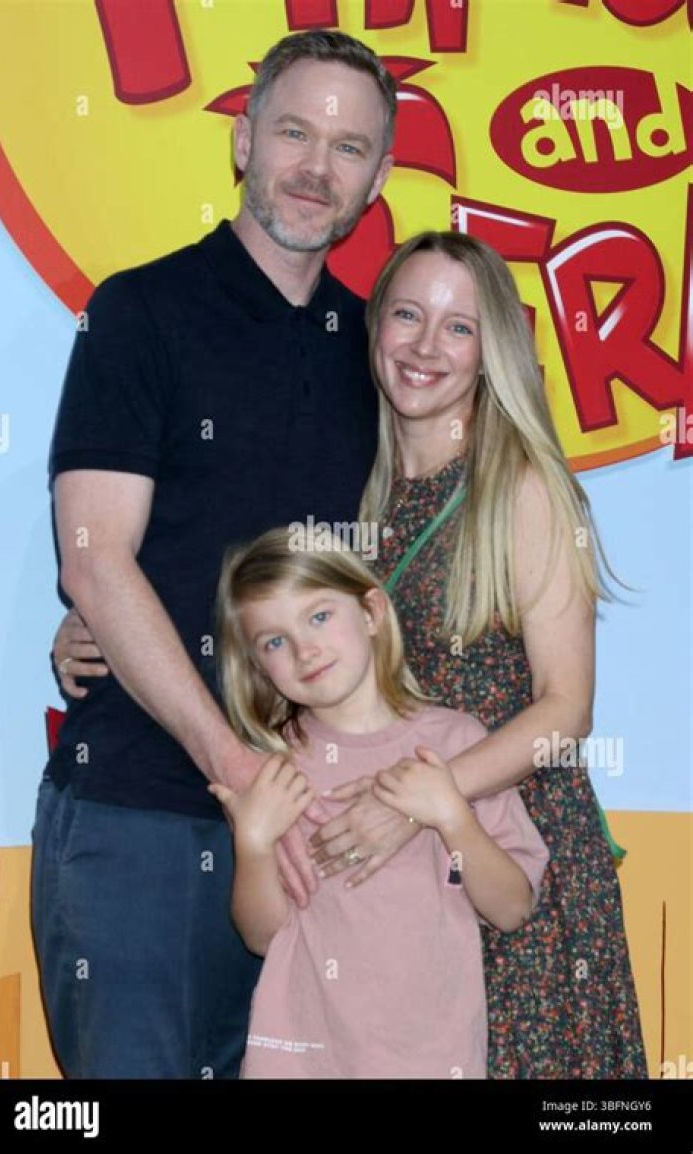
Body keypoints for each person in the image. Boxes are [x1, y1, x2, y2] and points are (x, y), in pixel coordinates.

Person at [50, 229, 648, 1074]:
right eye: (407, 315)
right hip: (378, 877)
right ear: (372, 331)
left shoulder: (521, 489)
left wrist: (421, 802)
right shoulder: (359, 481)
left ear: (494, 353)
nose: (426, 346)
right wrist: (101, 621)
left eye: (460, 327)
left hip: (498, 848)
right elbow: (263, 598)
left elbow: (566, 710)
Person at [32, 29, 397, 1079]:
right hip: (139, 816)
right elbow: (96, 560)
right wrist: (235, 768)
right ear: (243, 142)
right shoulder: (140, 311)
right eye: (294, 132)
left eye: (349, 147)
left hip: (319, 835)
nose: (316, 167)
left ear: (376, 180)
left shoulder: (380, 354)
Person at [207, 526, 549, 1078]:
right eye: (274, 642)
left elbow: (511, 909)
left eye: (320, 616)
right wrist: (253, 842)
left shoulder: (457, 743)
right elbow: (263, 936)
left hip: (433, 1059)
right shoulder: (272, 773)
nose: (304, 649)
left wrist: (452, 816)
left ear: (371, 611)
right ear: (255, 666)